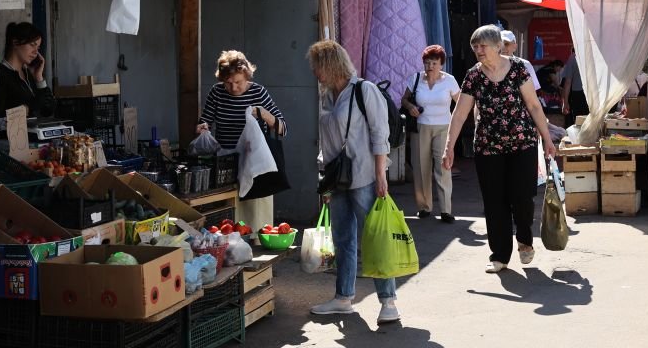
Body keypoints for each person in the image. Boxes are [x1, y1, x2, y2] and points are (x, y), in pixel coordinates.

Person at [443, 25, 556, 274]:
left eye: (483, 46)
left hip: (522, 143)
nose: (478, 51)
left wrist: (547, 139)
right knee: (494, 202)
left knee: (523, 197)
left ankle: (525, 240)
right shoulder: (473, 76)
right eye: (475, 47)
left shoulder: (518, 69)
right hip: (488, 147)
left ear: (497, 46)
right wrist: (449, 147)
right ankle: (500, 255)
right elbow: (460, 114)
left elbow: (533, 106)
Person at [307, 40, 399, 325]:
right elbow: (326, 140)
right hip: (337, 177)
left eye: (317, 66)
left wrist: (381, 174)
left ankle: (388, 301)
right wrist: (324, 176)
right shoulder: (327, 96)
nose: (314, 72)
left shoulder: (364, 90)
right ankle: (343, 297)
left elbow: (380, 132)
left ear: (331, 64)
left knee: (374, 239)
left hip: (364, 175)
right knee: (342, 238)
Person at [401, 45, 461, 222]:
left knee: (443, 167)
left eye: (434, 63)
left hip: (443, 127)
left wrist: (457, 124)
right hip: (421, 127)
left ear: (441, 64)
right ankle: (424, 207)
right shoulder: (415, 78)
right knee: (421, 168)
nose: (430, 66)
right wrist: (410, 107)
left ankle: (446, 210)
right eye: (427, 63)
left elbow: (461, 103)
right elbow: (404, 99)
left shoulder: (450, 80)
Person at [195, 50, 285, 150]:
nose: (233, 88)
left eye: (238, 82)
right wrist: (203, 128)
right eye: (228, 83)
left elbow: (283, 129)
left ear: (247, 77)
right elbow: (205, 122)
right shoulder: (217, 92)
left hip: (254, 156)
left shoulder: (259, 92)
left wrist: (264, 114)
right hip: (224, 156)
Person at [0, 22, 55, 136]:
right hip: (10, 143)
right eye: (32, 45)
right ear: (15, 42)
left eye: (38, 47)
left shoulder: (29, 74)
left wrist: (39, 78)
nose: (36, 52)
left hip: (32, 140)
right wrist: (27, 109)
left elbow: (48, 110)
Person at [561, 50, 589, 127]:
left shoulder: (573, 58)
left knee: (580, 121)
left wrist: (565, 102)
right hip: (593, 93)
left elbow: (568, 82)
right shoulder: (595, 55)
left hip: (578, 94)